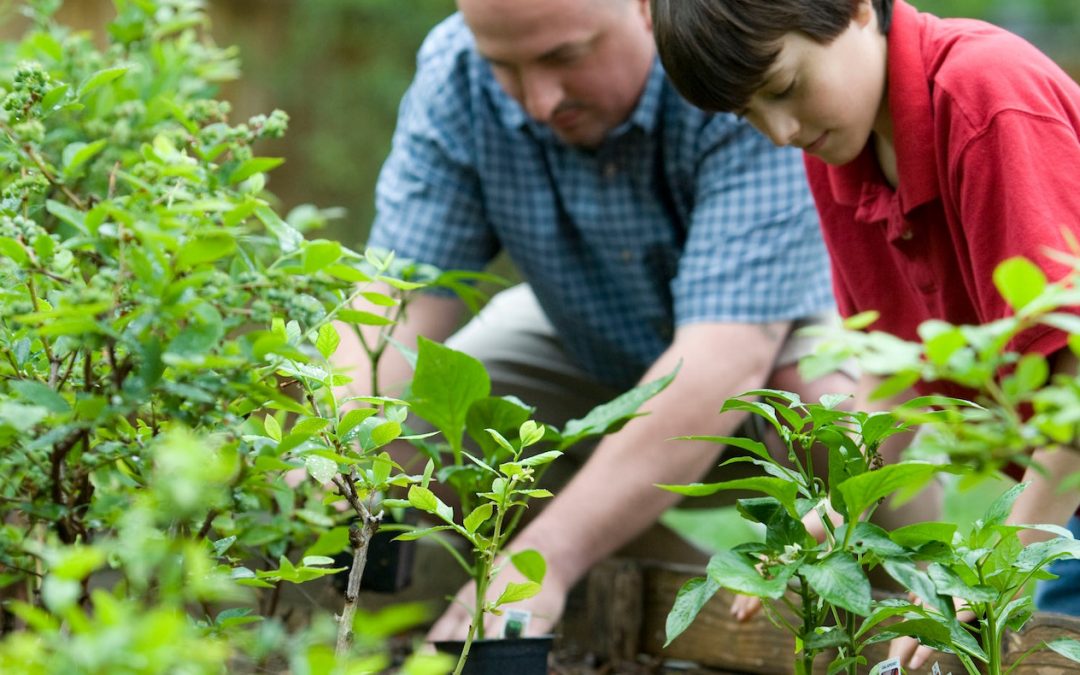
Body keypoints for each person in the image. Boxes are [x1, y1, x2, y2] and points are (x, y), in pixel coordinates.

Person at [340, 0, 860, 642]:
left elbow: (723, 357)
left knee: (843, 429)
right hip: (584, 332)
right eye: (506, 66)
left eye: (564, 56)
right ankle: (662, 597)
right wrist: (333, 436)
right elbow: (396, 301)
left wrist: (542, 562)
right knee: (436, 410)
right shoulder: (456, 73)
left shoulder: (726, 55)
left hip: (773, 331)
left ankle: (879, 625)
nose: (538, 100)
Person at [651, 0, 1080, 667]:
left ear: (854, 10)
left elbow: (1074, 381)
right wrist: (830, 518)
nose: (781, 131)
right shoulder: (840, 147)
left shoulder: (983, 96)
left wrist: (988, 575)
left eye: (785, 88)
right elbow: (891, 367)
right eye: (748, 114)